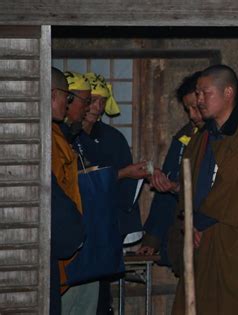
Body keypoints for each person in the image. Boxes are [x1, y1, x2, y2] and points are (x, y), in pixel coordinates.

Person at [171, 65, 238, 315]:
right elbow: (189, 186)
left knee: (233, 305)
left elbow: (234, 190)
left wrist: (197, 221)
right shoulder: (202, 137)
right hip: (200, 239)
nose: (199, 100)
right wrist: (187, 221)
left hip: (233, 241)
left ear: (228, 92)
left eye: (205, 93)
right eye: (198, 94)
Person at [74, 72, 148, 315]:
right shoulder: (67, 136)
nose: (96, 107)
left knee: (99, 296)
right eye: (91, 100)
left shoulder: (113, 138)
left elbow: (125, 187)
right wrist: (122, 173)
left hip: (104, 224)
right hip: (75, 223)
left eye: (101, 101)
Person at [138, 71, 204, 271]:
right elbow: (164, 196)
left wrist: (178, 188)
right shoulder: (184, 137)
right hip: (183, 236)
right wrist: (152, 239)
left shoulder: (225, 139)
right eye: (188, 109)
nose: (192, 115)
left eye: (197, 108)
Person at [50, 67, 85, 315]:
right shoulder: (44, 137)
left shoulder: (59, 134)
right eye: (67, 97)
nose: (68, 103)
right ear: (53, 95)